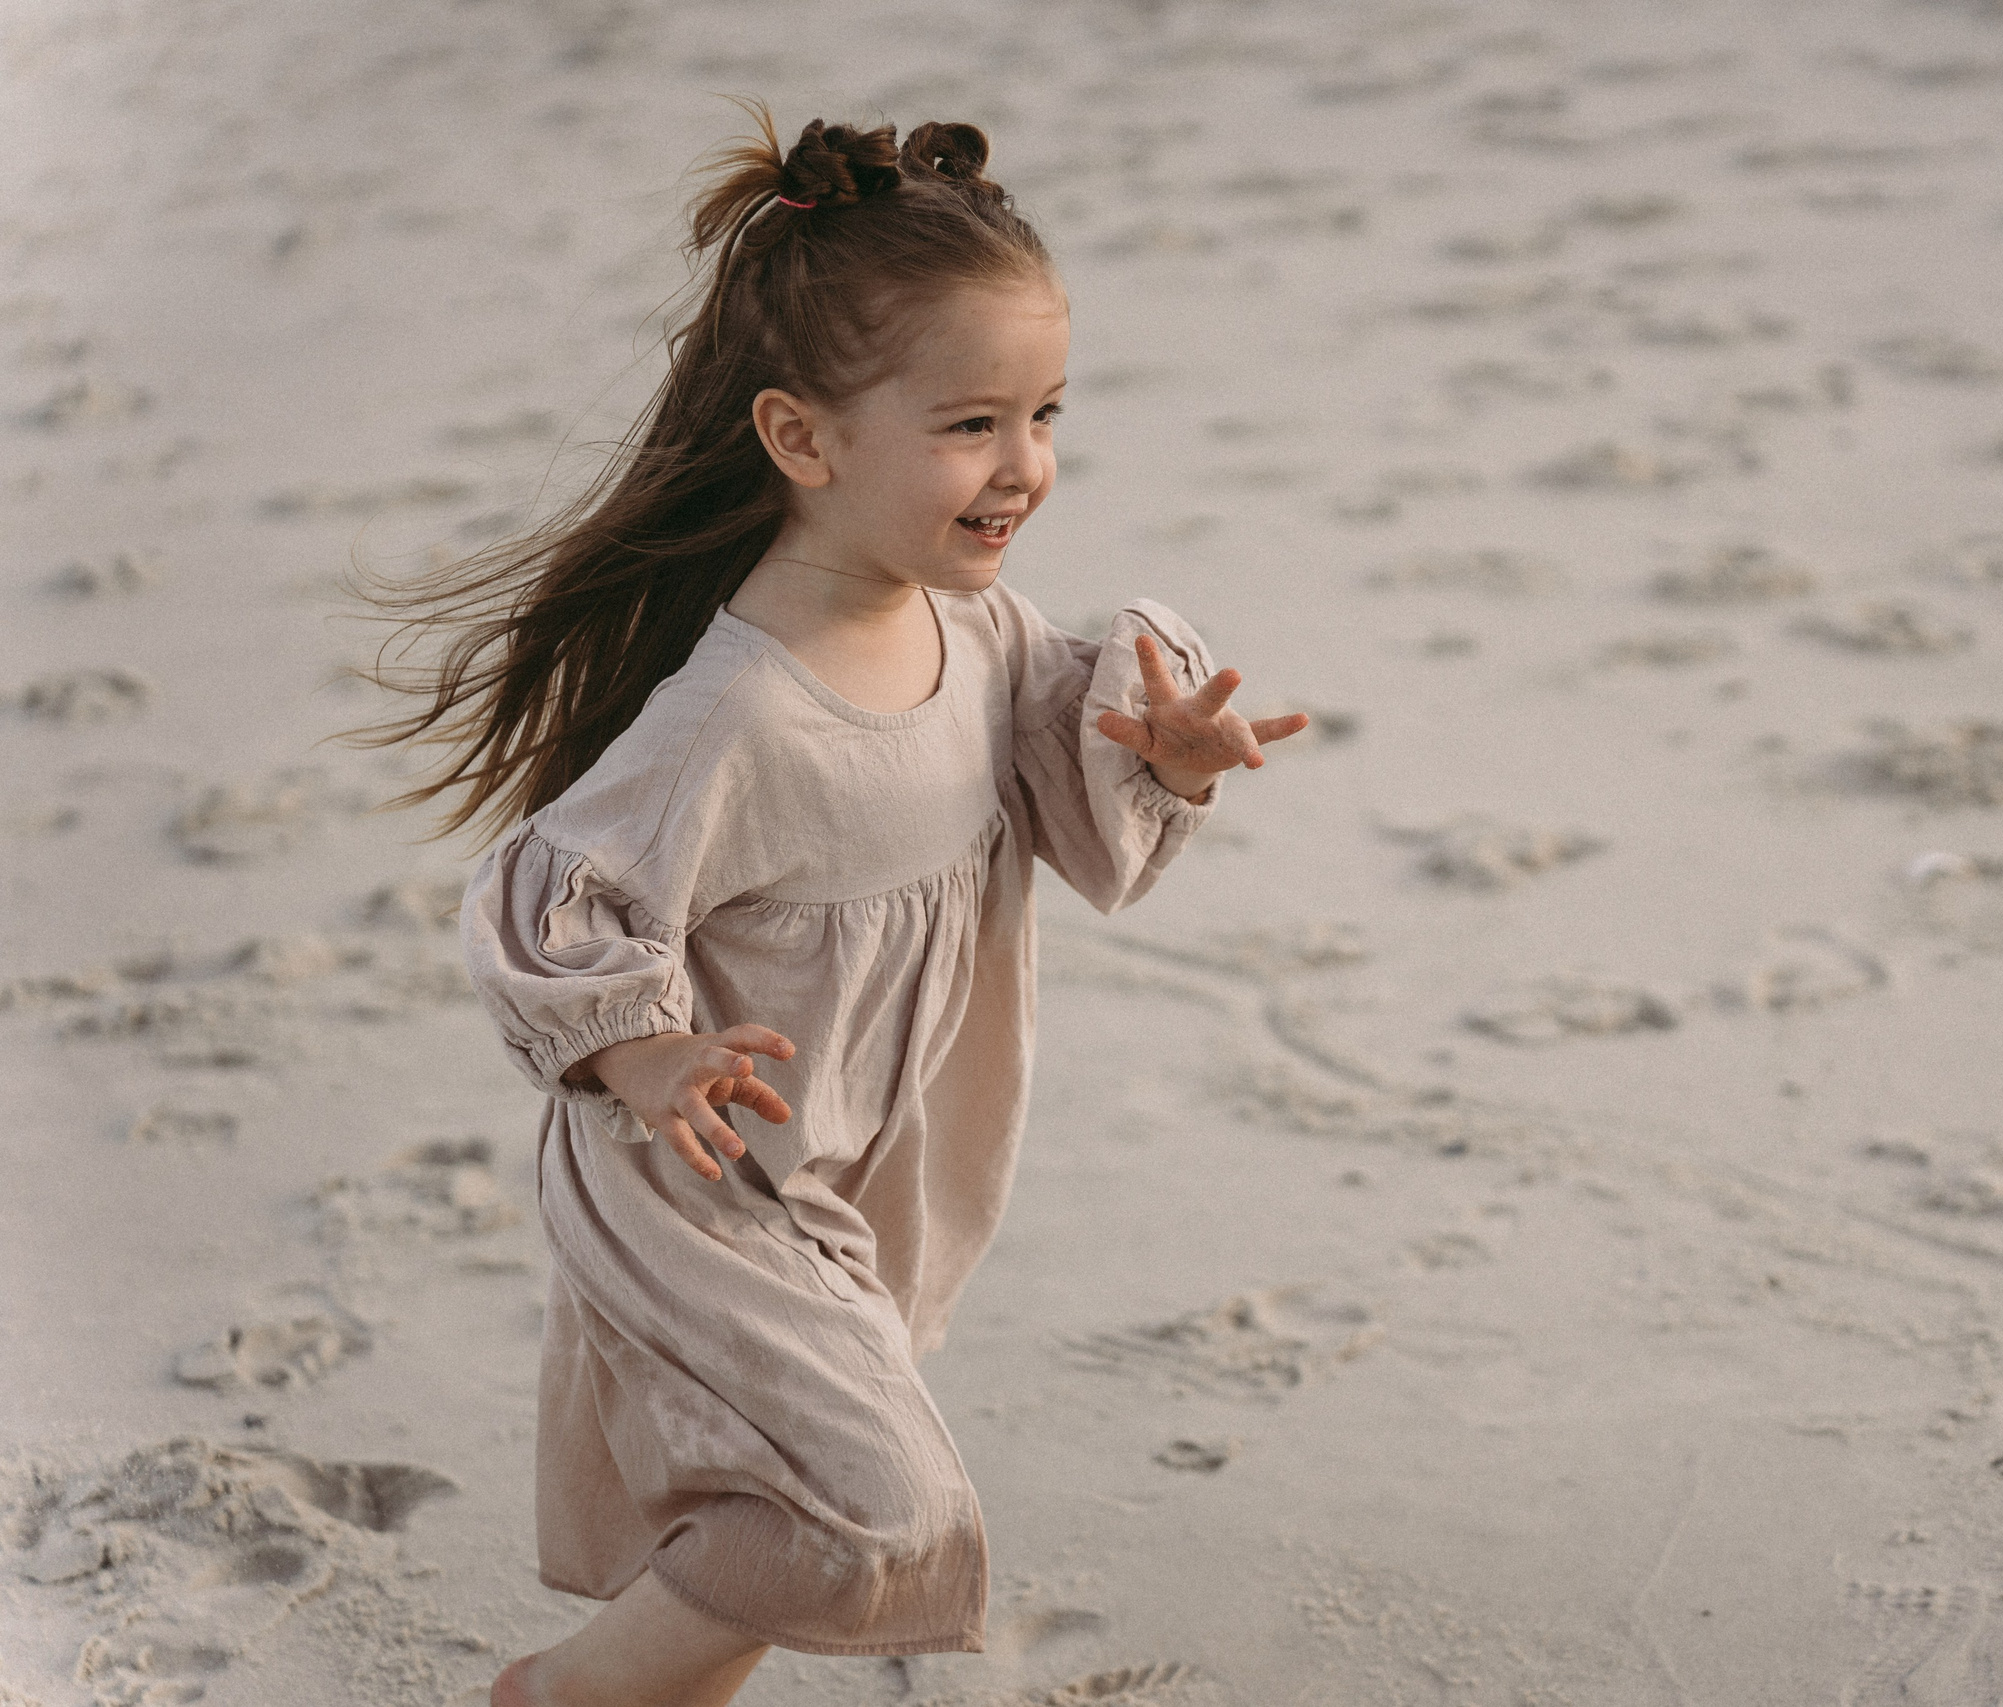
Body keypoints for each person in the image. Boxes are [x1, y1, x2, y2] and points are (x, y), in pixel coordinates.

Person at [351, 104, 1306, 1707]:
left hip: (859, 1168)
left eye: (1045, 413)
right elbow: (552, 892)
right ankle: (556, 1698)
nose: (1025, 469)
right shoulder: (741, 712)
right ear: (801, 439)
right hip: (703, 1177)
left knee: (786, 1508)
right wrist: (644, 1053)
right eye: (971, 425)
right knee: (884, 1512)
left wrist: (1180, 765)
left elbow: (1087, 817)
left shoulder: (980, 637)